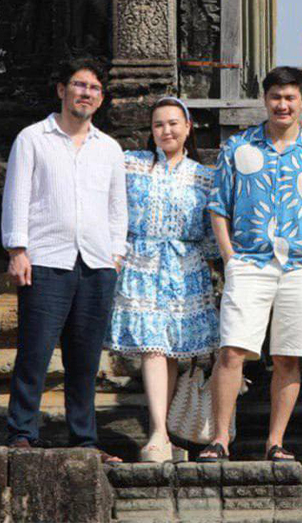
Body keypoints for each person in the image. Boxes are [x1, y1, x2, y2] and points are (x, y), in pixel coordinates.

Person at [198, 66, 302, 462]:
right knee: (232, 350)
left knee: (288, 356)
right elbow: (218, 205)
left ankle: (275, 441)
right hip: (249, 260)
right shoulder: (239, 146)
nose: (283, 105)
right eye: (276, 97)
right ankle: (220, 438)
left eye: (290, 97)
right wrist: (229, 257)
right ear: (265, 99)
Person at [1, 57, 127, 463]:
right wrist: (17, 249)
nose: (86, 94)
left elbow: (117, 208)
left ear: (101, 98)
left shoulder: (109, 148)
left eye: (94, 88)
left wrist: (116, 254)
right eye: (79, 85)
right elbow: (17, 195)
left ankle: (83, 439)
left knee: (85, 359)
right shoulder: (33, 138)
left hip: (96, 264)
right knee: (34, 351)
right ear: (62, 90)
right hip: (46, 260)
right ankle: (22, 432)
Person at [104, 97, 219, 463]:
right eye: (158, 124)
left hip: (187, 269)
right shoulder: (131, 165)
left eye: (173, 123)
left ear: (188, 127)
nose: (166, 130)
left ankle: (165, 434)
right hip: (142, 264)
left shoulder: (204, 176)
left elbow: (211, 233)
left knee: (171, 352)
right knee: (153, 346)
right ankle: (157, 433)